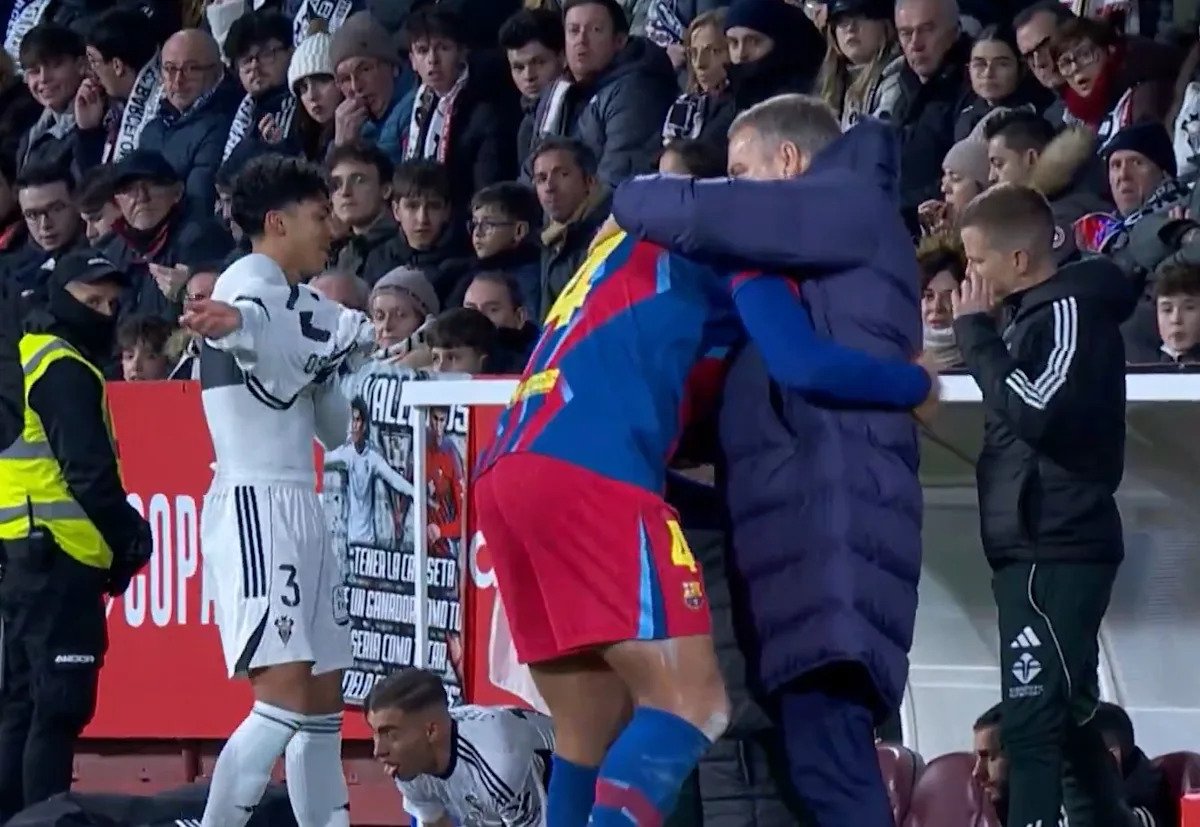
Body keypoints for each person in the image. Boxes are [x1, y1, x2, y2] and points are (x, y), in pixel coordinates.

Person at [476, 149, 935, 826]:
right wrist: (917, 383)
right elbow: (803, 363)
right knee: (694, 704)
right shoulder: (731, 235)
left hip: (506, 467)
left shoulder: (617, 248)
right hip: (592, 469)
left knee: (587, 725)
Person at [610, 95, 935, 827]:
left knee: (833, 772)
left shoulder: (841, 201)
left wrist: (630, 193)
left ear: (787, 162)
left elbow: (669, 208)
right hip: (813, 533)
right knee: (815, 772)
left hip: (831, 542)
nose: (733, 189)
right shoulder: (814, 256)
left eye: (739, 171)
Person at [178, 154, 381, 827]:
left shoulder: (290, 305)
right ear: (278, 222)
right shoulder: (251, 283)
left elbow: (331, 427)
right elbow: (249, 322)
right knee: (284, 698)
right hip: (257, 507)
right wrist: (234, 325)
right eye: (320, 215)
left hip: (300, 504)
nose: (332, 229)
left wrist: (338, 383)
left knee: (321, 703)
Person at [951, 183, 1137, 827]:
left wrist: (977, 337)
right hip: (1034, 543)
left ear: (1020, 259)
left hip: (1055, 543)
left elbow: (1037, 409)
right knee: (1072, 717)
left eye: (977, 260)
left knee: (1029, 725)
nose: (969, 276)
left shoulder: (1067, 314)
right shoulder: (1032, 317)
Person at [0, 250, 154, 819]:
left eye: (111, 304)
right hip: (61, 558)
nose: (104, 314)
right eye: (91, 301)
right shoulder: (61, 366)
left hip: (23, 557)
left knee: (22, 709)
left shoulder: (22, 357)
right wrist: (131, 539)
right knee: (56, 710)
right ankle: (45, 821)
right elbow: (88, 473)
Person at [365, 668, 555, 826]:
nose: (378, 751)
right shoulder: (410, 767)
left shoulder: (500, 763)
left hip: (562, 791)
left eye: (391, 735)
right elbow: (435, 822)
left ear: (431, 731)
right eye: (376, 734)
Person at [323, 397, 417, 548]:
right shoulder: (346, 452)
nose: (353, 426)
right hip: (351, 540)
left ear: (364, 425)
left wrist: (415, 493)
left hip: (368, 540)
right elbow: (324, 459)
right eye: (351, 421)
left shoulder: (373, 457)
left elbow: (394, 479)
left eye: (357, 420)